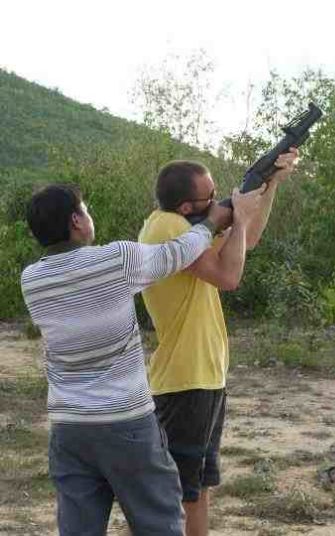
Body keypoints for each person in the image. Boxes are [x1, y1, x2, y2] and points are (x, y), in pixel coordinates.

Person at [20, 183, 264, 536]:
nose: (89, 216)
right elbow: (178, 253)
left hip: (69, 427)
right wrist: (211, 221)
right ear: (76, 221)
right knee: (159, 522)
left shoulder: (32, 279)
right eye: (85, 210)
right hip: (126, 422)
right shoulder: (116, 259)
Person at [138, 149, 298, 536]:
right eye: (211, 197)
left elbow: (249, 239)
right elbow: (229, 276)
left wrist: (270, 183)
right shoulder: (166, 229)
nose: (219, 203)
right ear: (186, 205)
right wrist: (238, 216)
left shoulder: (188, 228)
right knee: (177, 491)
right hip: (184, 379)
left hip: (203, 376)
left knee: (197, 487)